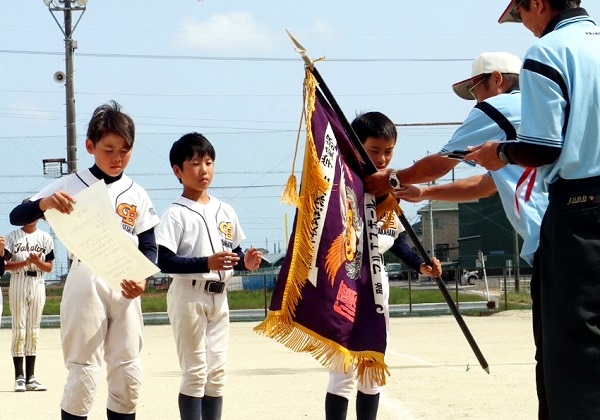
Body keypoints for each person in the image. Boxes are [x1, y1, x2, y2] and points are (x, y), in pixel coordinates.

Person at [365, 52, 551, 419]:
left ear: (496, 80)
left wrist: (394, 180)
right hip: (573, 234)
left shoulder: (497, 108)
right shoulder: (542, 112)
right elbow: (485, 185)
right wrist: (428, 193)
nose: (476, 101)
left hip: (553, 241)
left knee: (556, 355)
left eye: (476, 89)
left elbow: (441, 161)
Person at [465, 1, 600, 418]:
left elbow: (544, 148)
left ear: (538, 4)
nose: (526, 27)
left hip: (581, 211)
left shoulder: (548, 51)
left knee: (572, 350)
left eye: (521, 15)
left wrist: (500, 151)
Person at [9, 100, 160, 420]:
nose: (117, 157)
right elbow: (16, 214)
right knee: (84, 377)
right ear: (90, 146)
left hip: (126, 281)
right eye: (108, 148)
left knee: (128, 376)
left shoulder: (137, 192)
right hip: (86, 276)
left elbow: (148, 243)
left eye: (125, 149)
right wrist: (45, 203)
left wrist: (143, 278)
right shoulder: (70, 184)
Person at [325, 112, 442, 420]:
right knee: (343, 369)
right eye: (374, 150)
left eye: (388, 151)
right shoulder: (343, 186)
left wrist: (421, 264)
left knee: (372, 366)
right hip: (348, 286)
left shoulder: (392, 188)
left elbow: (398, 241)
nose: (381, 158)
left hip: (378, 291)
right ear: (356, 145)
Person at [155, 132, 263, 420]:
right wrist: (206, 261)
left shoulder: (224, 210)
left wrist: (246, 263)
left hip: (220, 297)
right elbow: (163, 260)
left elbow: (233, 255)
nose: (203, 170)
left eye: (208, 162)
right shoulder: (175, 214)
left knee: (216, 373)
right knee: (195, 372)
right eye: (194, 163)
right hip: (189, 295)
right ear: (178, 171)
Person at [4, 216, 54, 392]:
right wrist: (26, 262)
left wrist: (37, 262)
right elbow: (5, 266)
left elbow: (49, 267)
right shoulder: (12, 237)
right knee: (19, 327)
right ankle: (19, 376)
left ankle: (31, 377)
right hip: (19, 280)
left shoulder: (45, 238)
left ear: (39, 217)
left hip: (39, 282)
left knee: (34, 329)